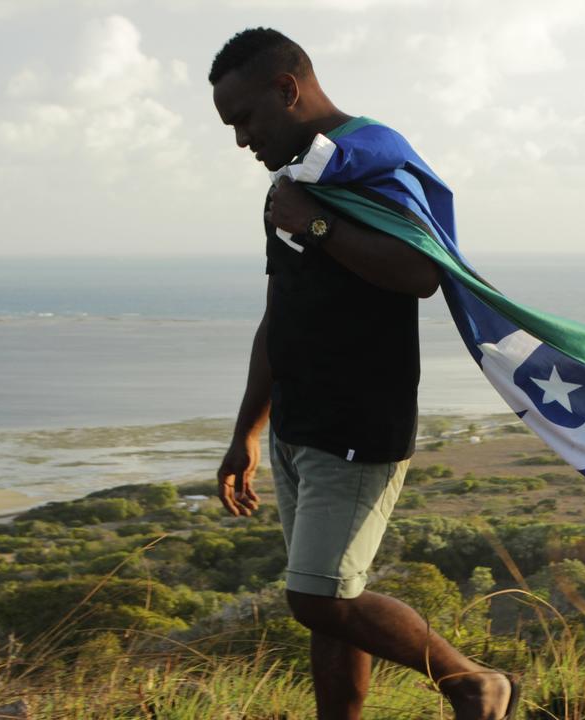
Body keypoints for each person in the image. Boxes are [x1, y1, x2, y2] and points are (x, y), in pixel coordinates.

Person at [208, 28, 518, 720]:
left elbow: (420, 274)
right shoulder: (295, 183)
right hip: (298, 424)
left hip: (358, 425)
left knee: (320, 597)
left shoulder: (374, 163)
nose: (241, 141)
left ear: (287, 90)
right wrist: (247, 431)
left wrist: (315, 225)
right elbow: (279, 314)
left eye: (246, 119)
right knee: (330, 604)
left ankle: (472, 681)